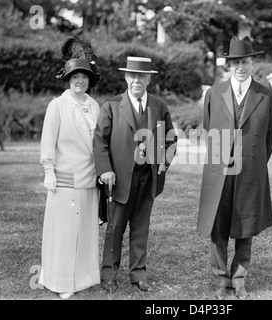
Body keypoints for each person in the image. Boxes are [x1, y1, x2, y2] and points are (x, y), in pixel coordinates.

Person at [197, 36, 272, 299]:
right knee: (218, 226)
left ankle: (239, 279)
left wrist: (253, 164)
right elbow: (209, 130)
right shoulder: (214, 93)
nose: (240, 66)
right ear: (228, 65)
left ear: (253, 63)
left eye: (245, 61)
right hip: (220, 171)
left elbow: (269, 137)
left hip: (250, 172)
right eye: (235, 62)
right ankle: (221, 280)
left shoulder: (266, 95)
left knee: (246, 227)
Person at [93, 56, 177, 293]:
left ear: (149, 79)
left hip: (148, 177)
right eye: (133, 76)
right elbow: (100, 141)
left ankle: (138, 274)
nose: (137, 80)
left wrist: (164, 161)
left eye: (142, 76)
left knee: (141, 228)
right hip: (119, 178)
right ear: (126, 77)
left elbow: (170, 138)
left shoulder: (158, 106)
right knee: (115, 229)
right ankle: (108, 274)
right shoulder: (111, 106)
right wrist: (105, 169)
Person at [39, 40, 102, 299]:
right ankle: (61, 281)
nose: (79, 81)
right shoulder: (57, 105)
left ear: (89, 80)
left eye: (84, 77)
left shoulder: (95, 105)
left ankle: (84, 278)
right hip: (65, 179)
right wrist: (48, 171)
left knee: (86, 231)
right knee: (65, 233)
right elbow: (47, 141)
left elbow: (98, 143)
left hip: (89, 179)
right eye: (74, 76)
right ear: (67, 79)